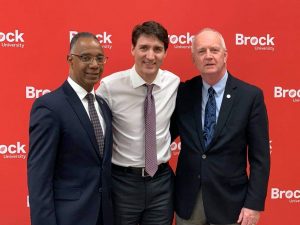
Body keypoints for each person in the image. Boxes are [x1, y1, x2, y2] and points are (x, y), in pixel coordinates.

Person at [171, 28, 270, 225]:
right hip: (188, 202)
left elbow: (260, 158)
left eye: (214, 50)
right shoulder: (183, 92)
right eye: (201, 51)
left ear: (225, 55)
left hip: (231, 203)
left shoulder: (250, 96)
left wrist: (253, 204)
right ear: (194, 59)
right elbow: (163, 135)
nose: (208, 56)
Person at [96, 21, 180, 225]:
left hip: (161, 183)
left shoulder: (173, 83)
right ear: (132, 49)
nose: (150, 56)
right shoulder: (110, 87)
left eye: (157, 49)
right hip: (123, 183)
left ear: (165, 53)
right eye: (144, 47)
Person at [27, 32, 113, 225]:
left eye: (100, 58)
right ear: (70, 60)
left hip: (104, 216)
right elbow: (39, 178)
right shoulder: (49, 107)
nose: (94, 64)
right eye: (85, 57)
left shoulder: (104, 106)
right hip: (69, 217)